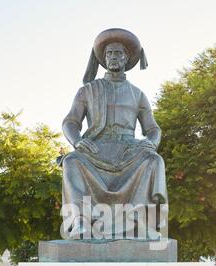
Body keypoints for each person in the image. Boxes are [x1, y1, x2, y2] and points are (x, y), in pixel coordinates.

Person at [60, 28, 168, 239]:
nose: (113, 57)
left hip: (129, 151)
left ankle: (140, 222)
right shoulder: (88, 90)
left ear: (126, 58)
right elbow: (70, 122)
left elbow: (153, 129)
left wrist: (150, 143)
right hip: (95, 149)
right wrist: (78, 141)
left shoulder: (138, 94)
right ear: (103, 59)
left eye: (118, 53)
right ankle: (80, 221)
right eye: (109, 53)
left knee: (154, 160)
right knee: (71, 160)